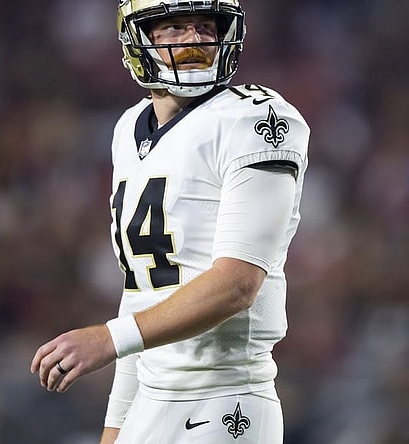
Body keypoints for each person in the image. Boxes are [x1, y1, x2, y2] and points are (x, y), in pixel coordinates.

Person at [30, 1, 309, 442]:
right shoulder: (128, 129)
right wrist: (115, 430)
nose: (195, 39)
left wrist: (108, 339)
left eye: (204, 26)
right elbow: (140, 298)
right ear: (138, 39)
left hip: (226, 400)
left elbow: (238, 284)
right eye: (175, 27)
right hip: (152, 398)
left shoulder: (257, 120)